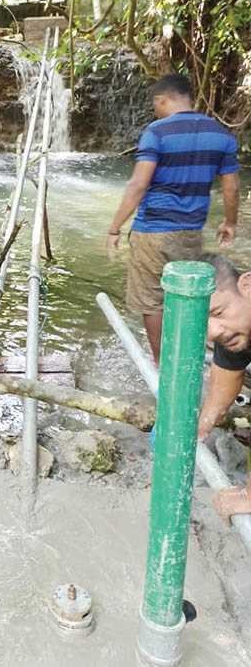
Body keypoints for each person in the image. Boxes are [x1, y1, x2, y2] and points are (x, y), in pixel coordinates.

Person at [107, 73, 239, 364]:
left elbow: (138, 185)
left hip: (152, 230)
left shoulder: (157, 132)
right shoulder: (220, 134)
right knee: (185, 294)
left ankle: (163, 364)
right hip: (192, 231)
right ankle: (189, 357)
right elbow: (231, 186)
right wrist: (229, 222)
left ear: (161, 99)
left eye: (155, 104)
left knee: (152, 301)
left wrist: (115, 227)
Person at [196, 254, 251, 524]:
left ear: (247, 285)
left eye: (218, 312)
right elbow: (224, 382)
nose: (213, 331)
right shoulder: (234, 330)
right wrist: (200, 428)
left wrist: (248, 495)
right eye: (203, 324)